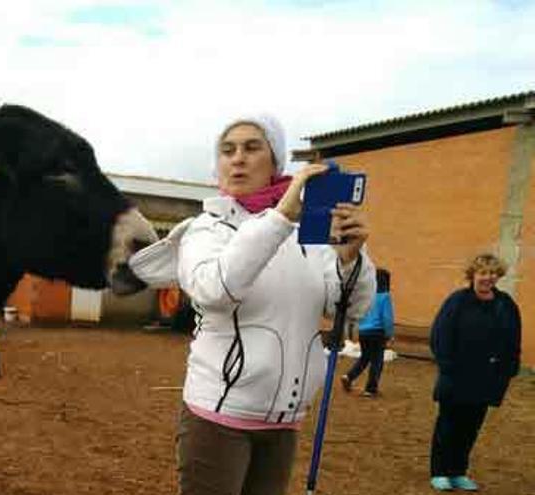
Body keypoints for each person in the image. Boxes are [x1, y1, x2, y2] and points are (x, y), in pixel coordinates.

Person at [153, 114, 377, 495]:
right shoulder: (207, 229)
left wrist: (350, 260)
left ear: (275, 162)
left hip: (284, 419)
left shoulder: (309, 235)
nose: (237, 158)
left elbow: (348, 309)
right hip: (219, 416)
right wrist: (278, 220)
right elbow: (213, 292)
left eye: (252, 147)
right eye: (227, 150)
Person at [428, 253, 521, 492]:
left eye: (492, 273)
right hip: (456, 376)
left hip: (486, 379)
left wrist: (508, 369)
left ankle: (458, 471)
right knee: (448, 424)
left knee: (471, 427)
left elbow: (513, 339)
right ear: (473, 275)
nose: (488, 277)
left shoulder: (506, 304)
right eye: (483, 273)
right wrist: (448, 366)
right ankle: (439, 471)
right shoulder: (457, 301)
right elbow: (440, 334)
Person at [341, 267, 394, 397]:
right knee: (377, 361)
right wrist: (389, 334)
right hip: (377, 333)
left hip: (363, 332)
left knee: (365, 358)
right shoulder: (385, 297)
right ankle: (371, 388)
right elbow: (387, 317)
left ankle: (349, 376)